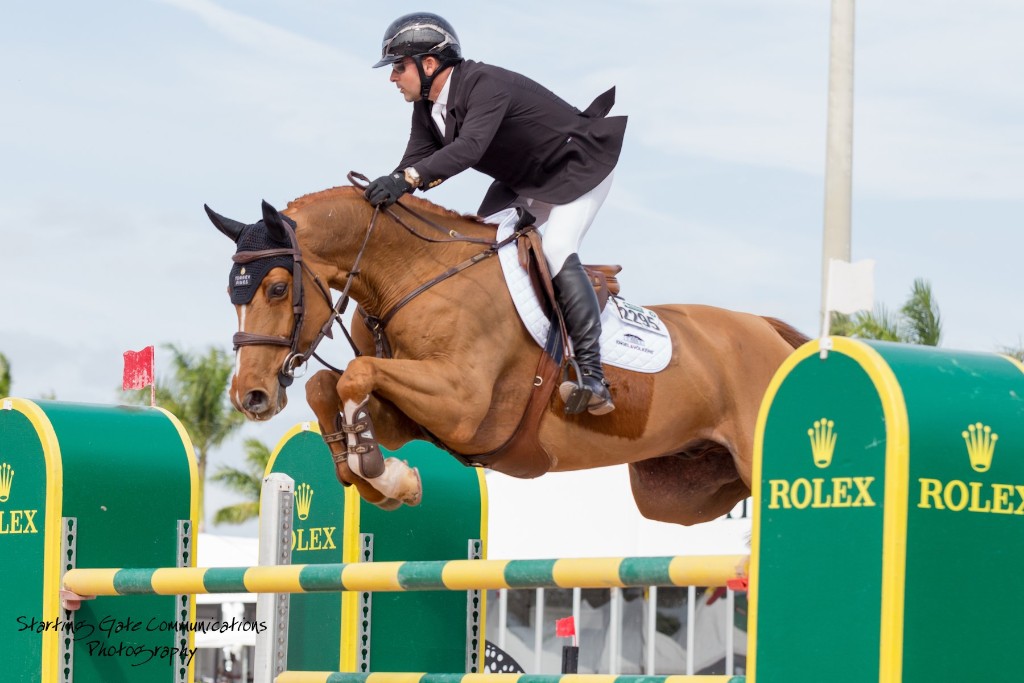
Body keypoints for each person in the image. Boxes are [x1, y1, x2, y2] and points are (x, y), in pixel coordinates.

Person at [364, 12, 627, 416]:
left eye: (398, 67)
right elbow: (415, 162)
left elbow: (467, 149)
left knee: (556, 247)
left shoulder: (484, 84)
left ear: (429, 65)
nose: (392, 78)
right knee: (482, 252)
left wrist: (409, 178)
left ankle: (593, 377)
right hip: (527, 181)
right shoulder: (427, 109)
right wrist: (387, 189)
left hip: (576, 166)